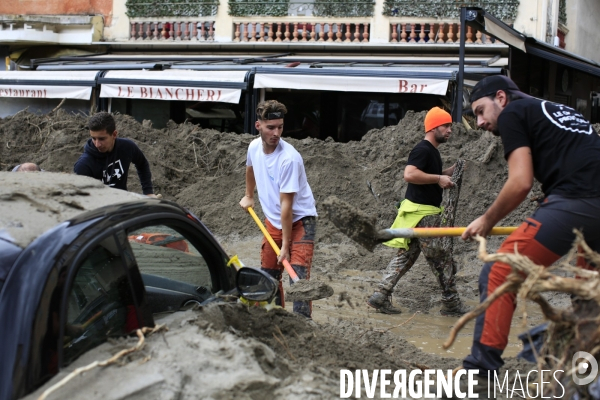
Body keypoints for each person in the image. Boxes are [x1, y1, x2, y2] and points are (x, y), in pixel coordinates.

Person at [460, 75, 600, 382]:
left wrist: (486, 220)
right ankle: (585, 374)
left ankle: (480, 374)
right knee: (589, 291)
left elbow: (520, 182)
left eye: (481, 111)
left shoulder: (513, 112)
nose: (480, 122)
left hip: (575, 202)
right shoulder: (559, 110)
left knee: (500, 272)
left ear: (501, 97)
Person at [367, 107, 470, 316]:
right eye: (446, 125)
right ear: (433, 127)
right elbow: (410, 174)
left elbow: (426, 174)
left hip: (417, 213)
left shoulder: (432, 151)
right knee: (441, 258)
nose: (450, 130)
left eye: (450, 125)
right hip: (423, 215)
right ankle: (451, 302)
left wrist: (445, 173)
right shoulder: (422, 149)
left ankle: (381, 294)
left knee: (406, 256)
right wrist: (438, 179)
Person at [239, 100, 317, 318]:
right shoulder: (254, 147)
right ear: (258, 126)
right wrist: (248, 195)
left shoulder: (289, 159)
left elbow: (287, 207)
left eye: (280, 127)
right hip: (274, 221)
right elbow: (250, 168)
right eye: (270, 127)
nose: (276, 133)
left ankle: (303, 324)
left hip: (300, 220)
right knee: (269, 275)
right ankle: (277, 318)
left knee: (298, 277)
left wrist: (285, 246)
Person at [74, 112, 156, 197]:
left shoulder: (127, 147)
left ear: (114, 134)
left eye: (102, 139)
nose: (97, 144)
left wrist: (148, 192)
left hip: (122, 204)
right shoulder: (84, 165)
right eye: (93, 138)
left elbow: (142, 164)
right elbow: (84, 199)